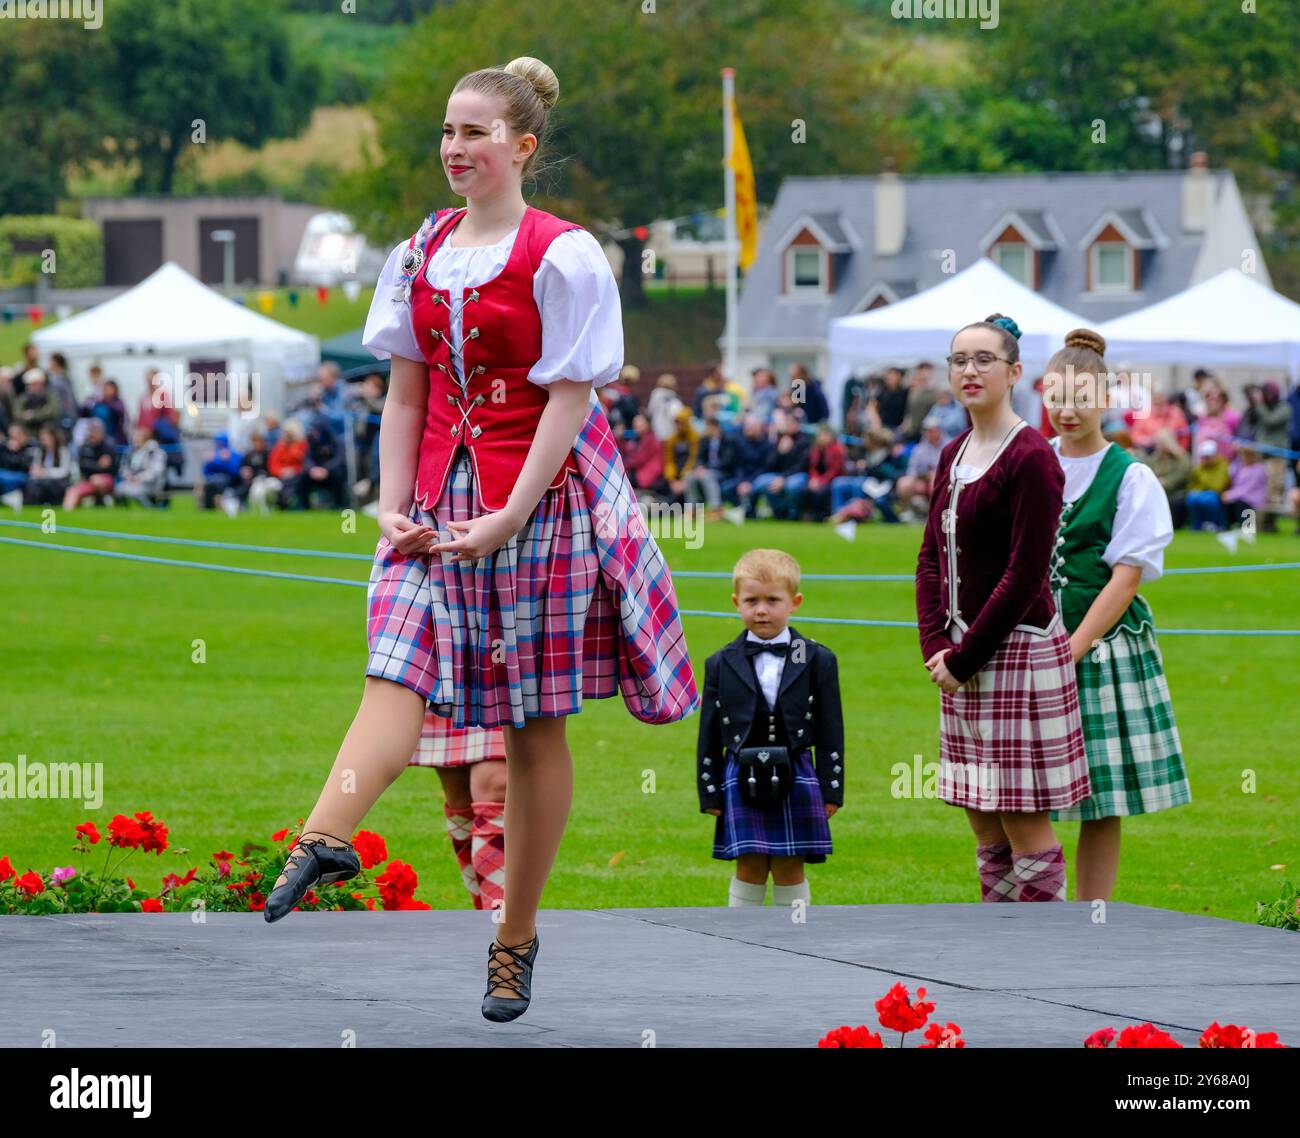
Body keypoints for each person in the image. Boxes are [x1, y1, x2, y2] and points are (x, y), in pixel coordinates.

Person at [260, 57, 699, 1025]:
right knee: (394, 667)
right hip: (432, 500)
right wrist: (387, 502)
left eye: (475, 133)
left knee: (530, 723)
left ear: (521, 147)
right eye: (447, 132)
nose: (455, 149)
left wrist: (507, 514)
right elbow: (405, 393)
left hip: (537, 501)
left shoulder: (563, 255)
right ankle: (324, 834)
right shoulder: (418, 251)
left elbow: (569, 400)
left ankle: (514, 936)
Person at [915, 313, 1089, 903]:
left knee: (1020, 816)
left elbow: (1024, 574)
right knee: (980, 815)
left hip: (1016, 650)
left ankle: (1043, 957)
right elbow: (929, 560)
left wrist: (963, 657)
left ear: (1014, 372)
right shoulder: (953, 452)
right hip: (961, 653)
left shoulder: (1033, 456)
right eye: (959, 359)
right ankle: (997, 947)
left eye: (984, 359)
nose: (970, 370)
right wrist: (936, 645)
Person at [1042, 328, 1189, 902]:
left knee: (1099, 797)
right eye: (1056, 397)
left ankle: (1090, 915)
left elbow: (1125, 578)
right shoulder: (1029, 461)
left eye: (1081, 397)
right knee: (1017, 789)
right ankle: (1026, 906)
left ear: (1106, 398)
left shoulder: (1130, 476)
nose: (1067, 410)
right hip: (1025, 641)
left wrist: (1070, 649)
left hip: (1100, 647)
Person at [697, 549, 843, 907]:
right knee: (748, 864)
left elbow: (830, 728)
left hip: (797, 770)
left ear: (795, 602)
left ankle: (795, 940)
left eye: (772, 600)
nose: (761, 610)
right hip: (739, 772)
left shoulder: (816, 658)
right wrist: (709, 790)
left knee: (790, 864)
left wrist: (831, 789)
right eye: (751, 600)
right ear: (736, 602)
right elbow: (710, 732)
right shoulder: (720, 662)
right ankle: (742, 940)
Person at [408, 709, 509, 913]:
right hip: (449, 682)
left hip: (504, 680)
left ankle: (499, 918)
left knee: (496, 784)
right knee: (459, 792)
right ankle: (485, 911)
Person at [1243, 381, 1292, 532]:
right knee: (1258, 491)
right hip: (1260, 456)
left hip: (1277, 457)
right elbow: (1250, 421)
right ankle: (1255, 525)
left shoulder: (1285, 408)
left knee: (1273, 492)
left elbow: (1270, 420)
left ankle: (1270, 525)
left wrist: (1259, 404)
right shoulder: (1260, 407)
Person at [685, 416, 735, 520]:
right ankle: (693, 509)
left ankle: (715, 509)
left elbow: (727, 461)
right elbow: (699, 458)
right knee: (690, 476)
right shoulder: (705, 440)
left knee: (708, 476)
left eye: (708, 428)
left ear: (716, 427)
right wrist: (699, 467)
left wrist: (706, 468)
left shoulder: (728, 440)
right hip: (705, 471)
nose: (706, 430)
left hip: (723, 472)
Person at [895, 416, 944, 520]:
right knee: (904, 483)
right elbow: (911, 470)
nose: (929, 433)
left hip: (942, 479)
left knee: (934, 478)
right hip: (921, 478)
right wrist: (919, 479)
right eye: (927, 431)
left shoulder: (949, 445)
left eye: (932, 430)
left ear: (938, 430)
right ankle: (907, 511)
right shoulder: (919, 449)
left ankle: (937, 513)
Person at [1142, 429, 1192, 530]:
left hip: (1176, 492)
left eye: (1159, 443)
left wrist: (1166, 482)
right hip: (1157, 492)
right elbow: (1148, 472)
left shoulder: (1182, 458)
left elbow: (1182, 475)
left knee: (1177, 503)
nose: (1157, 446)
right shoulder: (1153, 458)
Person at [63, 417, 117, 509]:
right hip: (88, 480)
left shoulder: (109, 445)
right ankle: (66, 516)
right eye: (93, 430)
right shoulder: (84, 447)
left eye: (98, 430)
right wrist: (98, 465)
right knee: (72, 491)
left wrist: (97, 469)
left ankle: (101, 502)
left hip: (106, 480)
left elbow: (112, 467)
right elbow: (83, 466)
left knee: (97, 481)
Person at [116, 425, 169, 508]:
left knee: (136, 491)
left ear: (146, 439)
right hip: (131, 482)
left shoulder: (156, 452)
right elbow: (123, 468)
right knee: (119, 489)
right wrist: (129, 476)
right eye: (134, 437)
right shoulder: (129, 452)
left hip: (151, 484)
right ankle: (124, 509)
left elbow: (156, 471)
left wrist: (139, 478)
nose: (135, 439)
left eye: (138, 437)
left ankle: (150, 507)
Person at [803, 424, 845, 522]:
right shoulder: (815, 450)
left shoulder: (837, 449)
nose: (821, 438)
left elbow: (835, 470)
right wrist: (814, 479)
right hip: (817, 480)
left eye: (824, 435)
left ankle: (822, 516)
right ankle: (807, 515)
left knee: (822, 492)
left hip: (833, 480)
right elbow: (812, 467)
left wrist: (821, 481)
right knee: (806, 490)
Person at [1185, 439, 1230, 531]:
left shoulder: (1223, 465)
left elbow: (1218, 486)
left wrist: (1203, 482)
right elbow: (1191, 485)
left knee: (1209, 499)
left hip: (1218, 495)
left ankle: (1215, 524)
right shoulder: (1199, 468)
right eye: (1203, 457)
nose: (1205, 460)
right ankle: (1197, 526)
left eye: (1208, 457)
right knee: (1192, 498)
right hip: (1203, 493)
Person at [1222, 444, 1269, 528]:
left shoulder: (1259, 470)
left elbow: (1247, 488)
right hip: (1241, 495)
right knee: (1228, 502)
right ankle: (1226, 525)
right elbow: (1233, 476)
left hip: (1253, 498)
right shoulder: (1241, 467)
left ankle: (1247, 526)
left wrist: (1230, 495)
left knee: (1240, 502)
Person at [23, 425, 71, 506]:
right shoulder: (40, 451)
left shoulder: (63, 451)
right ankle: (32, 506)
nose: (44, 441)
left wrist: (46, 472)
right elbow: (35, 467)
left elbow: (64, 471)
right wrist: (35, 471)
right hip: (42, 480)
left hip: (59, 481)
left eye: (46, 439)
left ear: (53, 438)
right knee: (31, 484)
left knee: (46, 484)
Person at [662, 404, 699, 506]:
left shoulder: (695, 438)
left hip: (689, 475)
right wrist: (672, 480)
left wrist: (683, 480)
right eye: (677, 423)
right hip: (676, 477)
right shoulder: (672, 439)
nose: (678, 426)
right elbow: (669, 461)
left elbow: (694, 459)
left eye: (681, 423)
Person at [0, 422, 39, 509]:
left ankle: (10, 496)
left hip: (24, 476)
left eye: (14, 435)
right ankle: (10, 496)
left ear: (23, 434)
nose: (11, 438)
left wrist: (17, 451)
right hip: (6, 474)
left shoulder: (32, 445)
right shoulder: (6, 445)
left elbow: (27, 465)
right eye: (10, 435)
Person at [646, 372, 683, 441]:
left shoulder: (654, 397)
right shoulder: (675, 401)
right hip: (671, 435)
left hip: (656, 434)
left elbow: (650, 412)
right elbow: (678, 418)